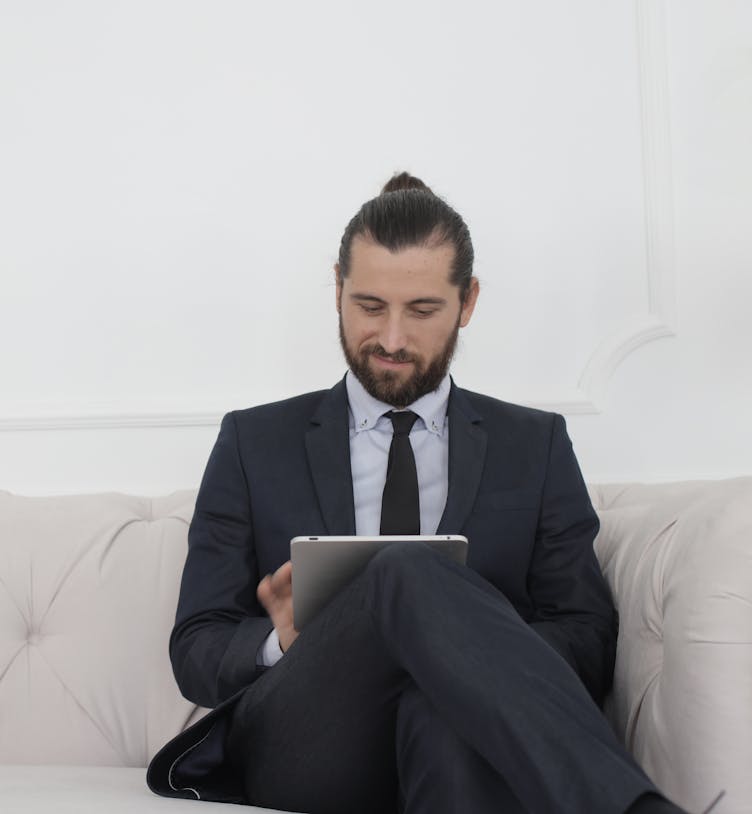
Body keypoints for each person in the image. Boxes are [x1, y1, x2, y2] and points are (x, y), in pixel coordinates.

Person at [146, 172, 695, 813]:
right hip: (303, 742)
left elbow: (588, 636)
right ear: (337, 291)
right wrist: (280, 642)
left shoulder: (534, 444)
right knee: (406, 570)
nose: (392, 340)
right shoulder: (253, 441)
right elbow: (196, 646)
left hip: (459, 733)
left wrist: (459, 652)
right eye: (370, 306)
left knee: (439, 714)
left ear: (468, 302)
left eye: (423, 310)